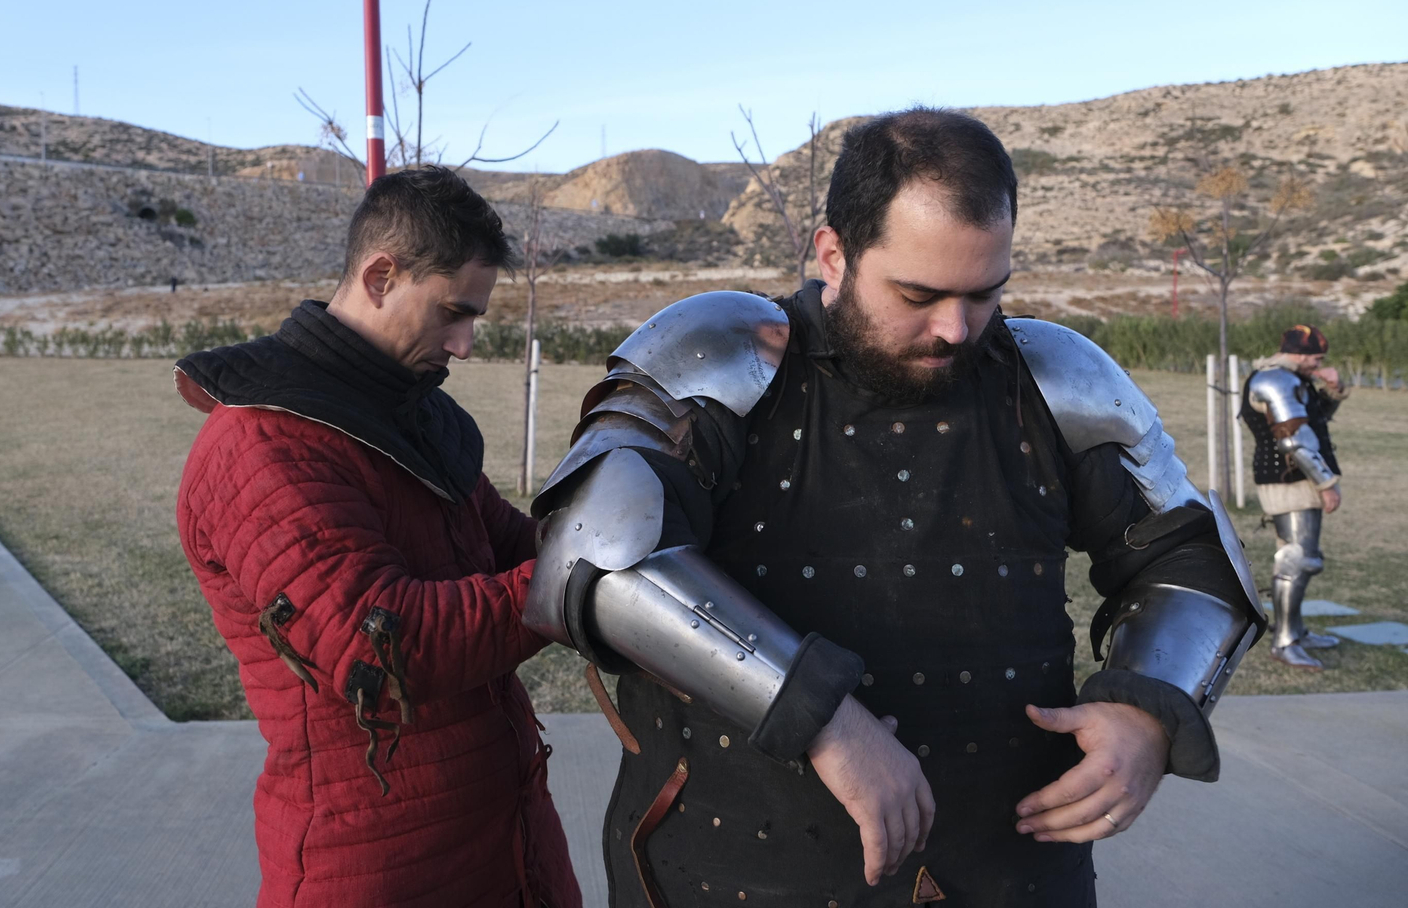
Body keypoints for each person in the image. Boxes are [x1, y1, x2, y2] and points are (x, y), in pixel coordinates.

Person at [523, 109, 1265, 907]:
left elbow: (1189, 560)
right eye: (919, 293)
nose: (956, 328)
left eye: (985, 293)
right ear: (834, 254)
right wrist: (823, 716)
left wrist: (1145, 710)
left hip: (1011, 871)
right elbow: (592, 558)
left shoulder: (1053, 379)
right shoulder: (722, 360)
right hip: (731, 866)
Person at [174, 166, 580, 908]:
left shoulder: (409, 415)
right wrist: (579, 584)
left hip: (505, 844)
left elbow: (516, 547)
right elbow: (380, 644)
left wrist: (619, 539)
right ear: (382, 275)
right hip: (369, 866)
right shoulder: (261, 441)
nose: (462, 345)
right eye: (452, 313)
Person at [1240, 324, 1349, 670]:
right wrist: (1326, 483)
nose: (1317, 364)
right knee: (1297, 558)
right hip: (1288, 478)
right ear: (1299, 354)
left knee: (1304, 558)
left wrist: (1332, 390)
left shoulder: (1292, 379)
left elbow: (1314, 422)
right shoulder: (1275, 379)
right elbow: (1294, 441)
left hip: (1297, 476)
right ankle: (1284, 641)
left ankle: (1296, 631)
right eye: (1315, 358)